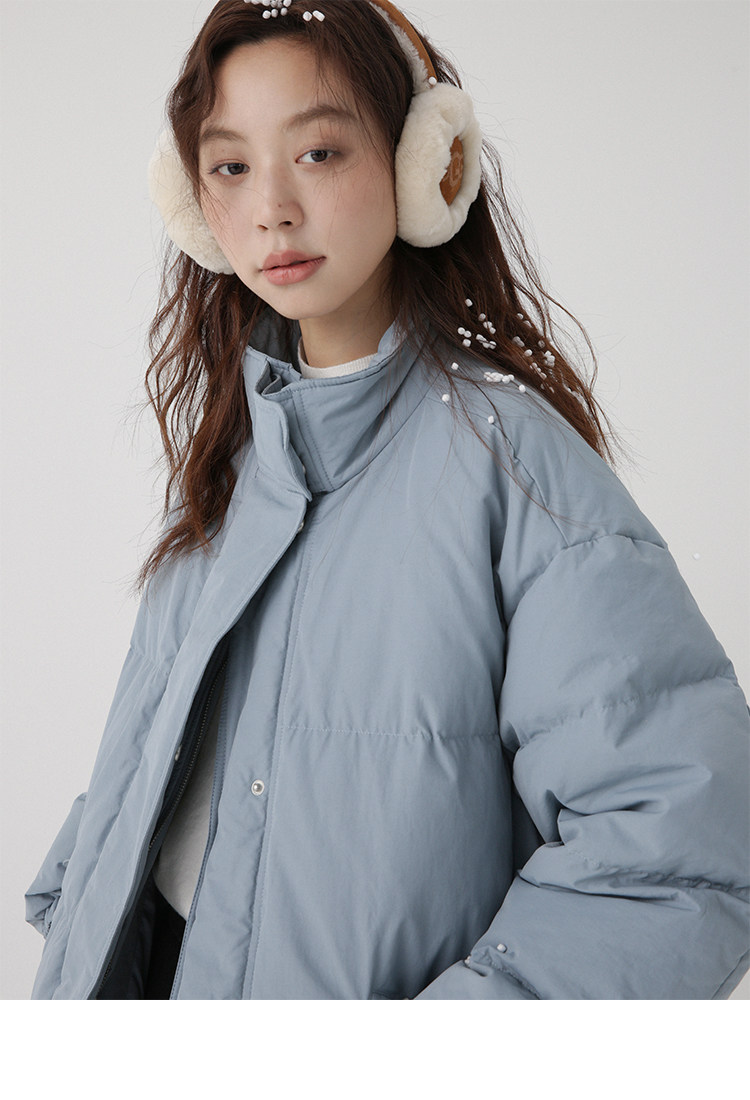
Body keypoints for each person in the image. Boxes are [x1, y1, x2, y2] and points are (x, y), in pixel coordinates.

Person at [25, 0, 749, 1000]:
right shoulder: (234, 461)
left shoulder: (514, 470)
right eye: (230, 166)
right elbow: (158, 772)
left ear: (423, 168)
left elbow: (681, 851)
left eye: (318, 153)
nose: (272, 208)